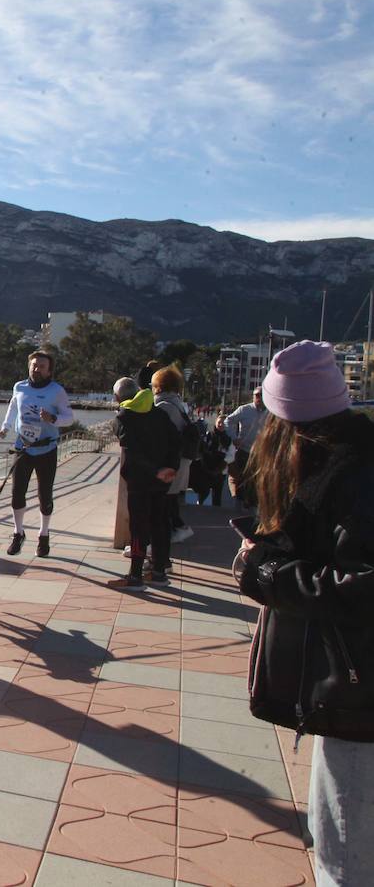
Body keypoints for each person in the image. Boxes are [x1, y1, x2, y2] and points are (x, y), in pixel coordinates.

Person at [234, 341, 373, 886]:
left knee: (345, 859)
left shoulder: (353, 479)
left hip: (358, 694)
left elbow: (359, 587)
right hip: (346, 692)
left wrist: (265, 574)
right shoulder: (344, 464)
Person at [0, 350, 75, 556]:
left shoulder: (56, 390)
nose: (36, 369)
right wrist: (5, 426)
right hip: (23, 447)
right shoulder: (19, 386)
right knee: (16, 494)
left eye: (41, 366)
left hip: (46, 448)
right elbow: (13, 407)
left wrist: (53, 419)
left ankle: (43, 534)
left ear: (49, 371)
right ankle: (18, 533)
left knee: (45, 496)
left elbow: (69, 418)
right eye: (33, 365)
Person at [107, 377, 179, 589]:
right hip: (163, 479)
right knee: (159, 524)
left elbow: (132, 451)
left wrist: (156, 470)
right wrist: (170, 468)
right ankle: (159, 572)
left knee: (139, 527)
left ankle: (136, 575)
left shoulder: (123, 417)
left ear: (117, 398)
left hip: (140, 480)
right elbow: (177, 441)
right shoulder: (159, 413)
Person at [150, 365, 194, 542]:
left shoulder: (163, 406)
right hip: (182, 460)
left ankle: (172, 533)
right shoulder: (178, 404)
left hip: (171, 462)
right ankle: (176, 529)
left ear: (158, 386)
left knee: (163, 500)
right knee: (170, 499)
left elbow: (160, 437)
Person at [224, 387, 267, 508]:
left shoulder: (270, 412)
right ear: (253, 397)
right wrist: (234, 437)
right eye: (257, 395)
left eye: (261, 395)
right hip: (244, 451)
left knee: (257, 480)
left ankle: (253, 505)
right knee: (241, 479)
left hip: (261, 452)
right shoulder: (244, 410)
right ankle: (240, 504)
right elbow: (228, 421)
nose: (259, 398)